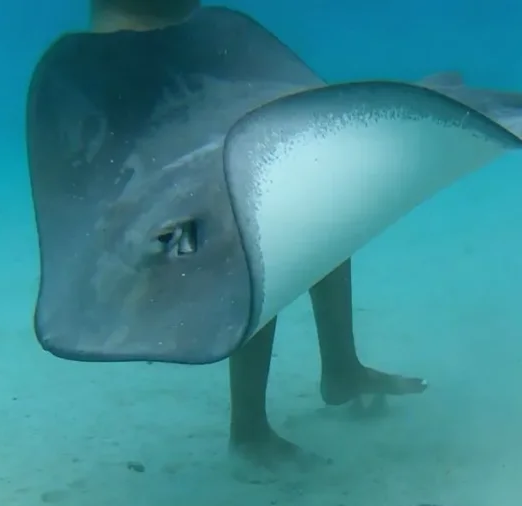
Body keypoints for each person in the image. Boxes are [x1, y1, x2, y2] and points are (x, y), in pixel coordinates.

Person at [89, 0, 428, 465]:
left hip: (188, 199)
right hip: (158, 239)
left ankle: (342, 369)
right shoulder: (117, 45)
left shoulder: (181, 33)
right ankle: (248, 432)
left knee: (318, 197)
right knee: (254, 234)